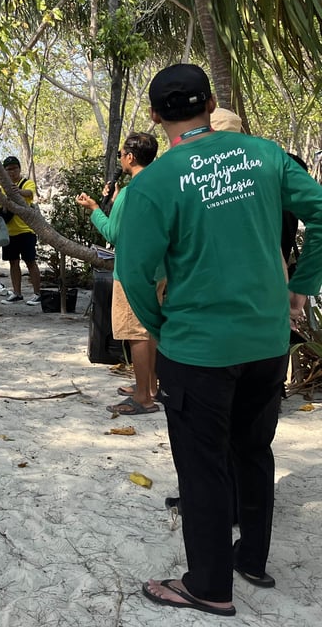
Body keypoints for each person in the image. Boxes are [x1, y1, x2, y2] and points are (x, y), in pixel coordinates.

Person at [115, 63, 322, 617]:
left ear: (156, 116)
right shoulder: (266, 155)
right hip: (267, 342)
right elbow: (320, 211)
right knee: (254, 452)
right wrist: (301, 285)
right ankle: (251, 559)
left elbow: (134, 272)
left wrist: (161, 330)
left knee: (203, 466)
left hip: (197, 348)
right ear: (209, 103)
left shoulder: (152, 183)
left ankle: (207, 585)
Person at [76, 132, 161, 414]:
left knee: (135, 332)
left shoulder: (130, 191)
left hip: (133, 272)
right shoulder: (159, 184)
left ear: (131, 157)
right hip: (159, 268)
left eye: (123, 153)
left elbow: (113, 232)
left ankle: (143, 399)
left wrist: (95, 208)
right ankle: (147, 387)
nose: (121, 158)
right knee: (150, 330)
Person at [0, 156, 42, 306]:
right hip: (9, 232)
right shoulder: (2, 187)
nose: (11, 172)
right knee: (13, 263)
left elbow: (30, 193)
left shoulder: (26, 182)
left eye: (14, 168)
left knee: (30, 262)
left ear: (19, 169)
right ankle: (17, 293)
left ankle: (38, 293)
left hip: (26, 231)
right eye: (8, 169)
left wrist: (18, 192)